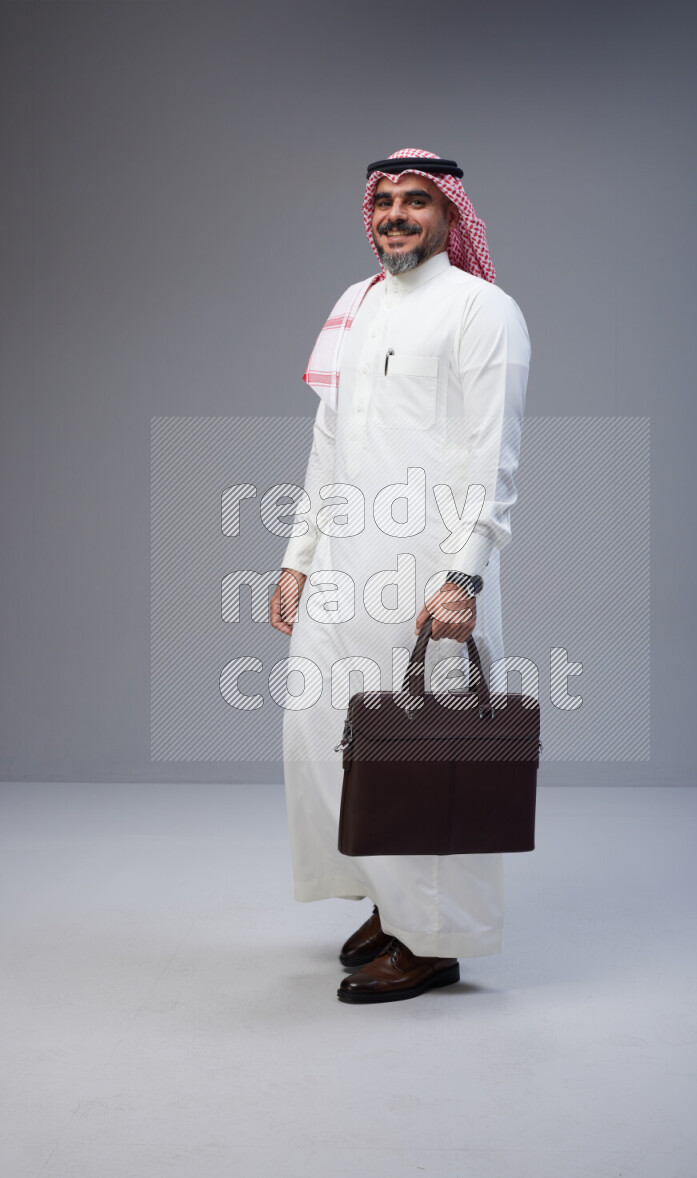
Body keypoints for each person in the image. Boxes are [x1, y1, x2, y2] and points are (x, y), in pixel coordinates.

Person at [269, 148, 530, 1003]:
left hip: (428, 569)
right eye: (385, 201)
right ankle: (391, 902)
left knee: (426, 751)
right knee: (327, 739)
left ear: (453, 216)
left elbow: (494, 458)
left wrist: (465, 575)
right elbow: (326, 445)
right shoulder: (357, 305)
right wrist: (297, 559)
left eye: (418, 201)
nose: (397, 215)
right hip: (345, 564)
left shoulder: (482, 310)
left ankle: (436, 938)